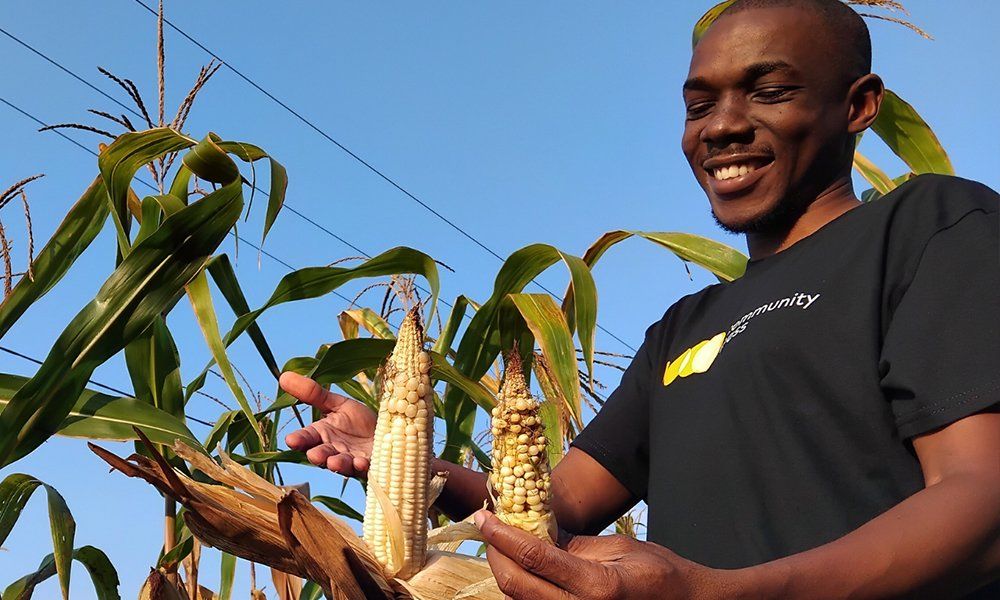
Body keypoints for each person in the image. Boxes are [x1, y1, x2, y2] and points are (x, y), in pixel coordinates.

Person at [279, 0, 1000, 597]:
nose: (722, 126)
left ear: (859, 105)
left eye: (768, 91)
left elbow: (982, 500)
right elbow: (550, 507)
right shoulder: (683, 328)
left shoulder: (928, 228)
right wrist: (407, 459)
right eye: (699, 104)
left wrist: (712, 594)